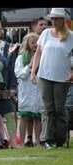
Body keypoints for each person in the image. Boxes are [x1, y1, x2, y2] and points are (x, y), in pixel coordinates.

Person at [31, 8, 73, 149]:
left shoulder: (71, 36)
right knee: (47, 108)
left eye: (56, 18)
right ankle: (46, 139)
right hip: (45, 75)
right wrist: (33, 72)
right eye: (52, 18)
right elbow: (38, 53)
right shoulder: (46, 33)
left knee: (59, 109)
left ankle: (60, 139)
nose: (53, 21)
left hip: (62, 77)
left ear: (63, 20)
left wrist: (72, 71)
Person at [21, 17, 48, 147]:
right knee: (27, 114)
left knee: (39, 113)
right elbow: (19, 72)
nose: (44, 27)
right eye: (41, 24)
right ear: (34, 26)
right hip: (28, 86)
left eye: (45, 24)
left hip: (42, 82)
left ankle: (41, 139)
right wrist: (30, 67)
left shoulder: (48, 40)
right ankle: (28, 138)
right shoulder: (23, 55)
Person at [14, 32, 42, 147]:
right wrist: (29, 66)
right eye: (32, 42)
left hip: (38, 89)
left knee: (38, 117)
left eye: (37, 42)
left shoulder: (43, 56)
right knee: (24, 116)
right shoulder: (21, 58)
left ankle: (39, 142)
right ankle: (22, 143)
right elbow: (18, 74)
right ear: (27, 44)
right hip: (26, 90)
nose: (35, 45)